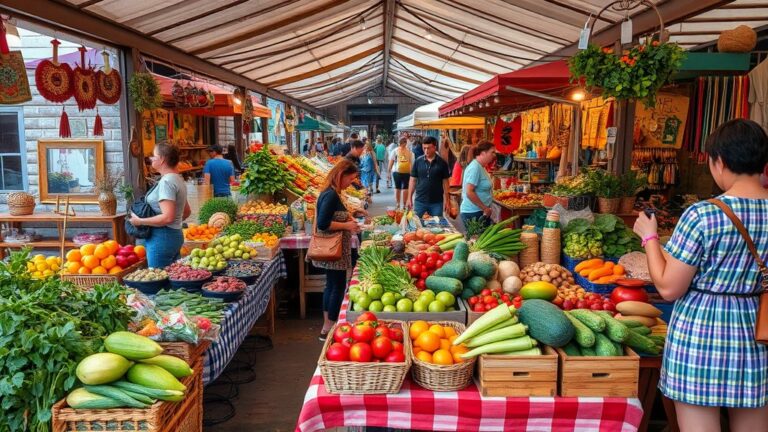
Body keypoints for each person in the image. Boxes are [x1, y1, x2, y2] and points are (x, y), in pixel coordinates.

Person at [633, 119, 768, 432]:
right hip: (757, 328)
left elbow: (668, 288)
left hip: (702, 330)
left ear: (718, 161)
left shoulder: (704, 214)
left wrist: (650, 238)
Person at [312, 159, 361, 340]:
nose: (351, 183)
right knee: (337, 286)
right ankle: (329, 327)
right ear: (342, 175)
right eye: (350, 179)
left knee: (331, 285)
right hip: (335, 250)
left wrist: (352, 215)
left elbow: (332, 216)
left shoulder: (331, 193)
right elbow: (324, 224)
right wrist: (348, 225)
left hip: (334, 249)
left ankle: (327, 326)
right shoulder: (331, 195)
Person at [129, 143, 191, 268]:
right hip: (174, 235)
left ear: (162, 159)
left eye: (154, 155)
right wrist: (175, 222)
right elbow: (186, 211)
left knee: (158, 281)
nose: (151, 158)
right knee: (173, 278)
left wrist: (140, 221)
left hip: (161, 237)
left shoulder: (166, 182)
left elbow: (167, 217)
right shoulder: (177, 179)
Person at [407, 136, 450, 217]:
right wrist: (409, 198)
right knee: (417, 225)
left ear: (434, 147)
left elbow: (446, 183)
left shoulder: (442, 163)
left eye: (428, 148)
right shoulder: (418, 161)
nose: (426, 150)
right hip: (420, 201)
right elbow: (412, 180)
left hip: (437, 202)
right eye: (424, 148)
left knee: (437, 226)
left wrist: (447, 201)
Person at [460, 141, 495, 229]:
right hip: (473, 213)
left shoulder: (480, 167)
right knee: (477, 240)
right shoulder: (475, 167)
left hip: (478, 211)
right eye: (492, 152)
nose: (494, 155)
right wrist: (484, 208)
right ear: (483, 153)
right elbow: (469, 192)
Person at [388, 137, 414, 208]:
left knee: (398, 187)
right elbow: (412, 163)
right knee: (405, 188)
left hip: (397, 172)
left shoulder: (395, 151)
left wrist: (388, 172)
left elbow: (391, 161)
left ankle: (398, 203)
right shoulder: (410, 152)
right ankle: (403, 204)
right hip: (406, 172)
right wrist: (412, 173)